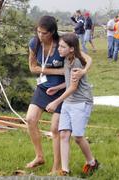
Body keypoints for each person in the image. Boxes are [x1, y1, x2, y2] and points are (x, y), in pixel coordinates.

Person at [25, 15, 92, 174]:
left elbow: (87, 59)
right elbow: (32, 68)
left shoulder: (62, 43)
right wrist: (58, 71)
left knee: (55, 129)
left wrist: (83, 71)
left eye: (44, 33)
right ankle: (39, 156)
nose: (41, 36)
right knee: (30, 119)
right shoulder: (34, 43)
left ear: (52, 32)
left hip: (63, 89)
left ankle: (56, 168)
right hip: (44, 87)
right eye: (38, 32)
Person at [46, 33, 99, 176]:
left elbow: (73, 87)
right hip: (69, 102)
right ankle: (65, 170)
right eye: (59, 46)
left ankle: (92, 162)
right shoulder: (66, 60)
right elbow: (69, 82)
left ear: (71, 49)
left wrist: (56, 101)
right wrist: (56, 88)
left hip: (81, 102)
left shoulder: (75, 62)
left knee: (77, 137)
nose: (59, 49)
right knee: (63, 134)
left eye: (63, 47)